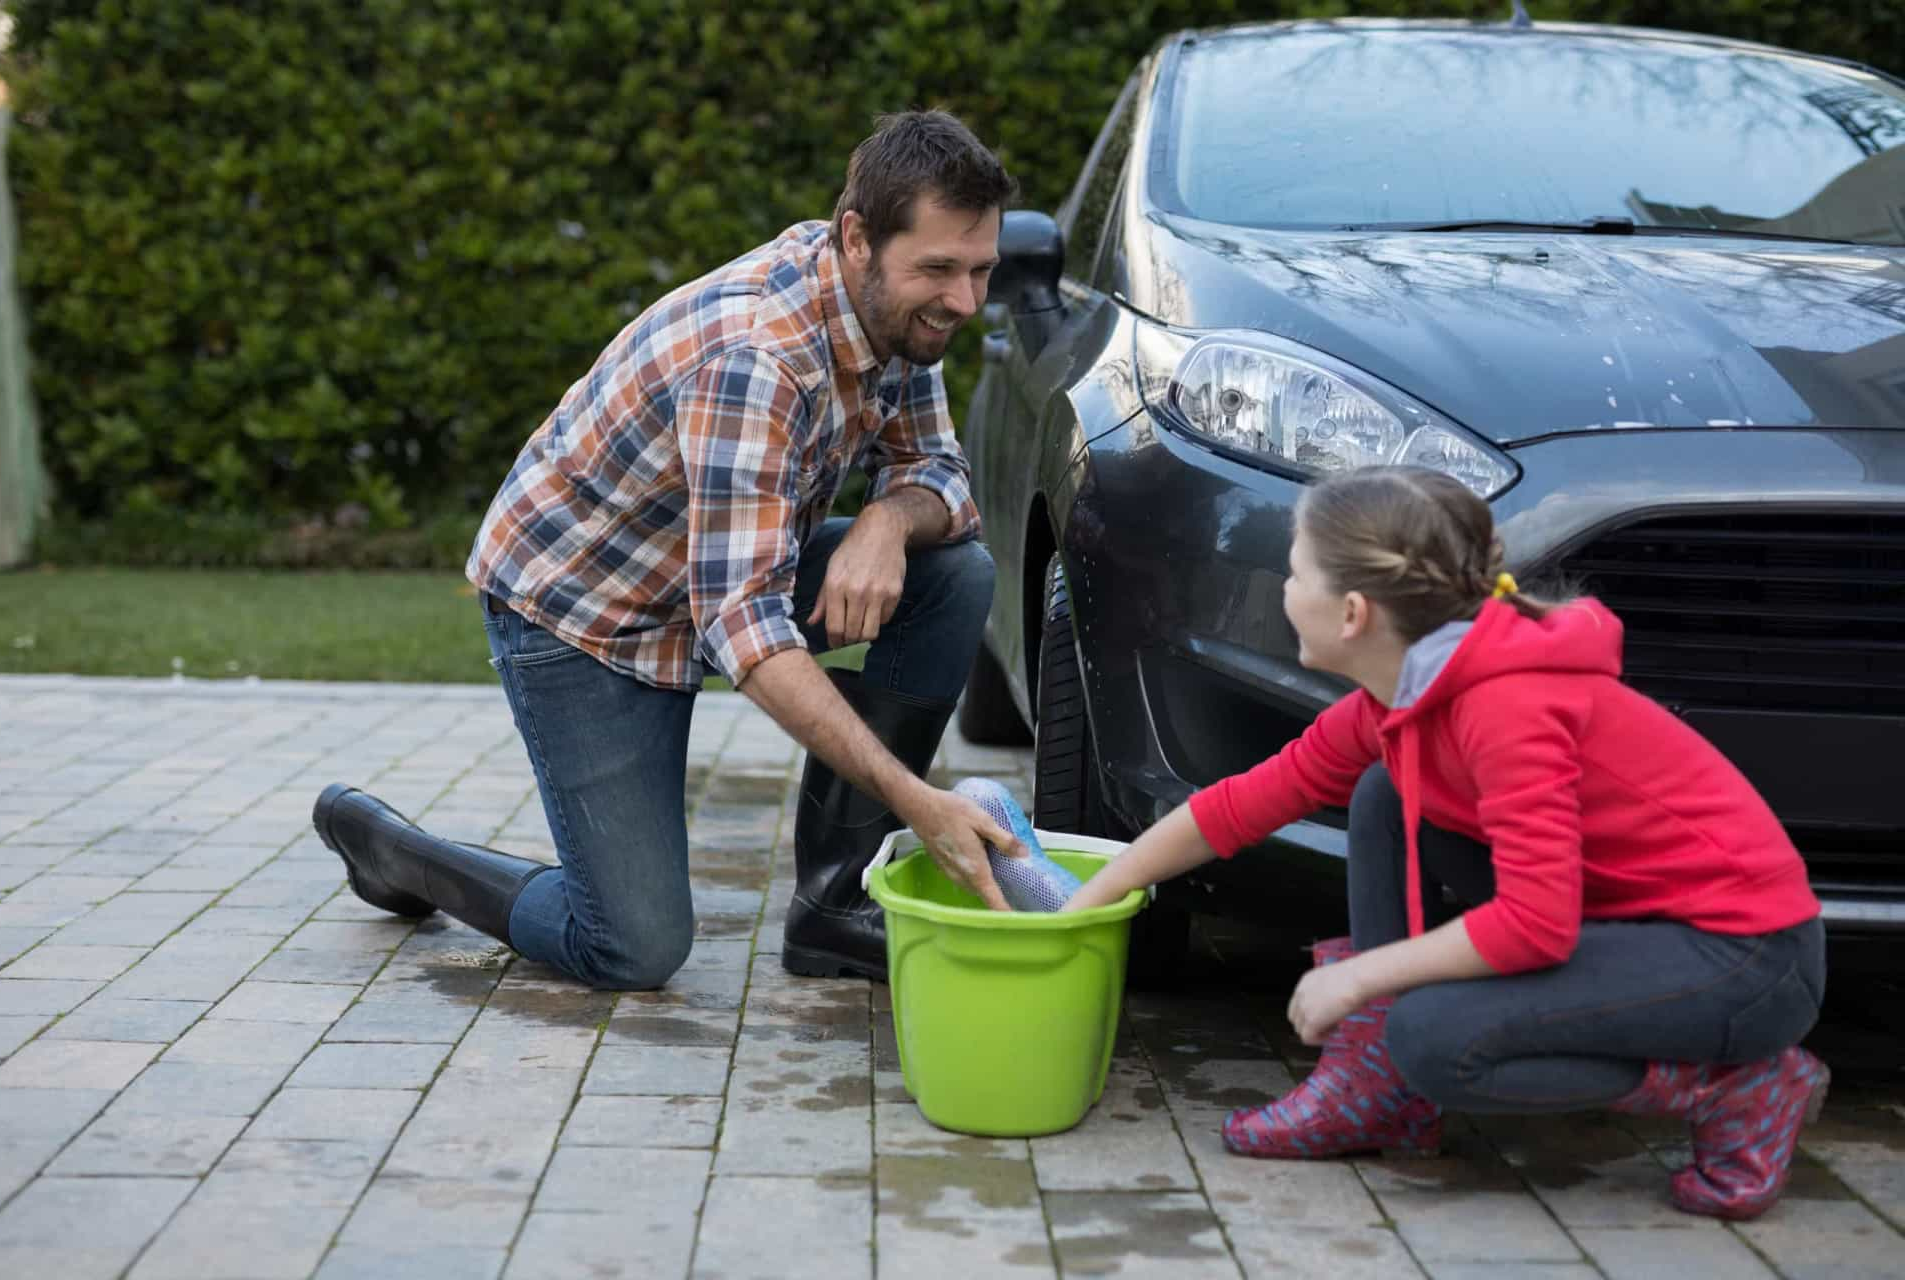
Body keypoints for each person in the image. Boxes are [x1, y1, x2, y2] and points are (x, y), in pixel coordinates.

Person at [313, 110, 1025, 991]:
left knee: (952, 575)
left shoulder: (900, 311)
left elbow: (941, 478)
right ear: (856, 240)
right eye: (940, 270)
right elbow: (747, 630)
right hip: (587, 614)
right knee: (632, 947)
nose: (964, 301)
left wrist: (886, 523)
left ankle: (835, 910)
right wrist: (918, 805)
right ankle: (400, 855)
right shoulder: (754, 359)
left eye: (980, 270)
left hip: (720, 568)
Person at [1064, 465, 1828, 1221]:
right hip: (1637, 931)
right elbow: (1239, 807)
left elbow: (1536, 924)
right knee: (1387, 792)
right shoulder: (1402, 698)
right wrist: (1088, 898)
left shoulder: (1505, 707)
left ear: (1354, 612)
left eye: (1295, 574)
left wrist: (1361, 978)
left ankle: (1740, 1088)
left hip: (1746, 960)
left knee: (1432, 1041)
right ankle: (1375, 1089)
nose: (1284, 591)